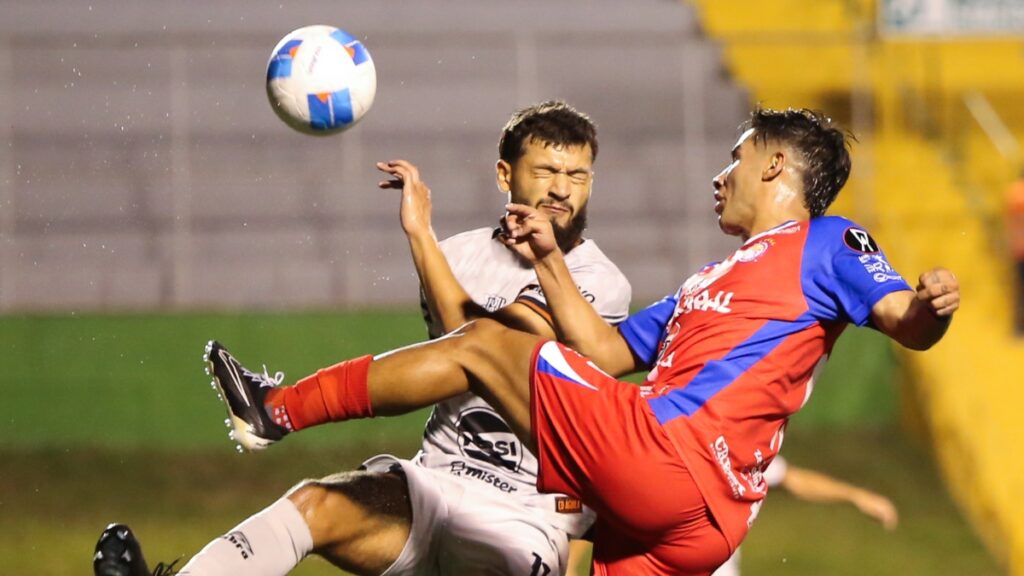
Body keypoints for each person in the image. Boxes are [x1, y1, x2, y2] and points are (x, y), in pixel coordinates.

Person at [203, 107, 959, 575]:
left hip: (670, 458)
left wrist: (931, 308)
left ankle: (278, 411)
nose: (722, 175)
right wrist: (549, 258)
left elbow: (903, 319)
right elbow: (600, 353)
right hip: (691, 526)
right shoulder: (708, 280)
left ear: (774, 165)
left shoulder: (828, 240)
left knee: (486, 346)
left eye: (737, 158)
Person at [94, 101, 631, 576]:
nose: (562, 188)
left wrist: (421, 237)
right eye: (547, 170)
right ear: (504, 174)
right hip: (436, 482)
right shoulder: (461, 254)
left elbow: (478, 345)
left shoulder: (596, 282)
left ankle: (279, 410)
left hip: (526, 511)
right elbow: (457, 340)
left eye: (578, 175)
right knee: (314, 506)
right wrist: (425, 237)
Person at [563, 456, 899, 576]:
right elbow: (593, 509)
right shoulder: (657, 457)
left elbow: (793, 479)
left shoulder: (737, 453)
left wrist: (857, 497)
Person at [1006, 171, 1024, 334]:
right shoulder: (1019, 192)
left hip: (1017, 248)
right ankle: (1019, 326)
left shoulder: (1014, 191)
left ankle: (1018, 327)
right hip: (1020, 248)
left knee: (1019, 290)